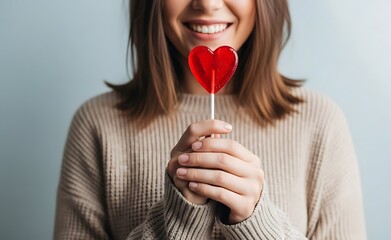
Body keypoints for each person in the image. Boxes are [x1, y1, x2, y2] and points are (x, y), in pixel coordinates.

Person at [54, 0, 366, 239]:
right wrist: (178, 219)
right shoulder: (97, 125)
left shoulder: (320, 123)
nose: (207, 3)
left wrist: (258, 223)